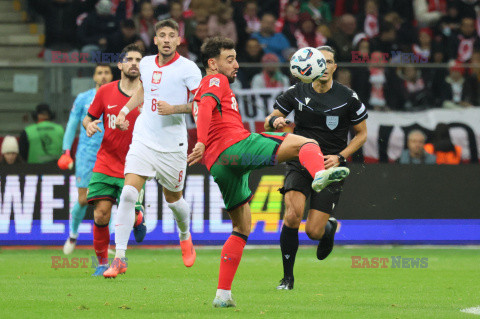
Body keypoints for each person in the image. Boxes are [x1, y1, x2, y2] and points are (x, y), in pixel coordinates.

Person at [188, 37, 350, 308]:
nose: (236, 64)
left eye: (236, 58)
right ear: (212, 64)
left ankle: (223, 294)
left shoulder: (202, 86)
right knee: (307, 144)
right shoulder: (216, 80)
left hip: (218, 165)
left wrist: (204, 144)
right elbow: (205, 107)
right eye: (230, 59)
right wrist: (201, 141)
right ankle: (319, 174)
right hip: (234, 147)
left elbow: (200, 106)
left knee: (241, 227)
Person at [105, 19, 202, 278]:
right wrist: (125, 111)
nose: (167, 39)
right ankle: (120, 258)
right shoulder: (146, 63)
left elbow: (201, 103)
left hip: (172, 146)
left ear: (179, 40)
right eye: (162, 35)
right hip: (144, 139)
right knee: (127, 194)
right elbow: (143, 91)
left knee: (174, 200)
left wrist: (175, 108)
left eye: (172, 35)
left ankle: (184, 235)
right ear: (155, 39)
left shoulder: (189, 68)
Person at [265, 45, 368, 291]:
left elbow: (362, 135)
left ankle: (328, 228)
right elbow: (270, 118)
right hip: (300, 159)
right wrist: (276, 120)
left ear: (334, 67)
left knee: (313, 231)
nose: (323, 66)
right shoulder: (296, 91)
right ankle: (287, 278)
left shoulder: (348, 97)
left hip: (329, 165)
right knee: (292, 214)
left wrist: (340, 158)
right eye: (319, 61)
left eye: (329, 61)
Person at [82, 44, 146, 276]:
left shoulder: (148, 94)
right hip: (106, 161)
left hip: (136, 163)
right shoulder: (105, 91)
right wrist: (89, 125)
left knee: (130, 209)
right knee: (101, 214)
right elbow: (88, 118)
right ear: (119, 65)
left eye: (139, 59)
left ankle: (138, 217)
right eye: (129, 59)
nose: (134, 63)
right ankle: (101, 263)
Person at [58, 63, 113, 255]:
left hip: (111, 154)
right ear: (94, 77)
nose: (104, 76)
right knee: (83, 199)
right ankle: (73, 236)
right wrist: (66, 151)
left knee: (109, 200)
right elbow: (72, 125)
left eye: (107, 72)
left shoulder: (117, 97)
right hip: (86, 155)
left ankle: (106, 243)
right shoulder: (83, 99)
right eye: (100, 73)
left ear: (112, 75)